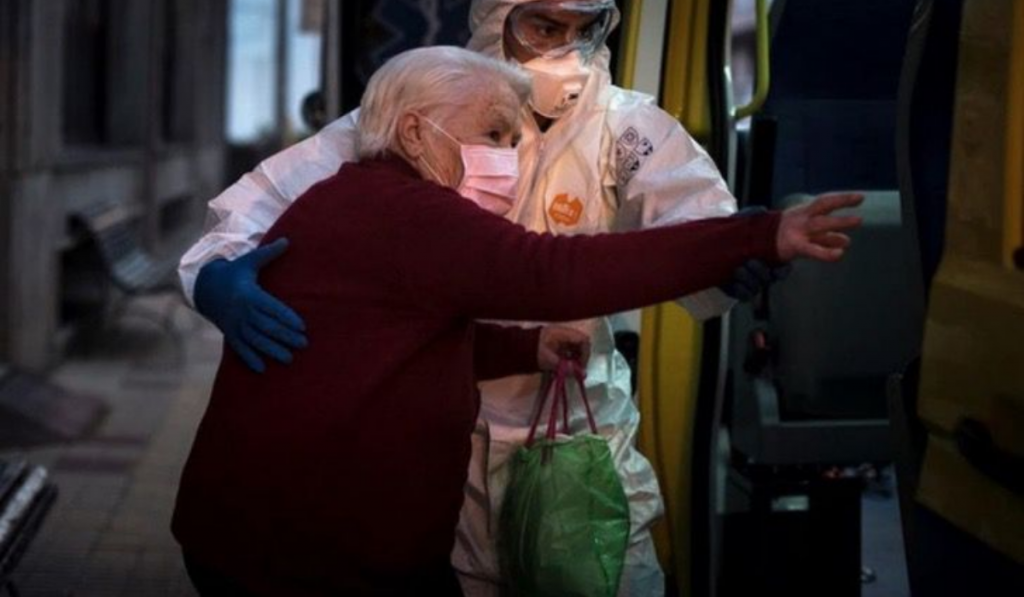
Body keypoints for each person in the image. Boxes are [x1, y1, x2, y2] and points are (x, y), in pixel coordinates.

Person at [173, 45, 860, 597]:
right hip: (304, 552)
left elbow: (395, 336)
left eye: (513, 135)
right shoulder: (411, 212)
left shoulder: (365, 195)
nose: (508, 157)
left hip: (277, 532)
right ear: (415, 132)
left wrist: (524, 346)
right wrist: (754, 236)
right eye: (494, 135)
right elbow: (555, 273)